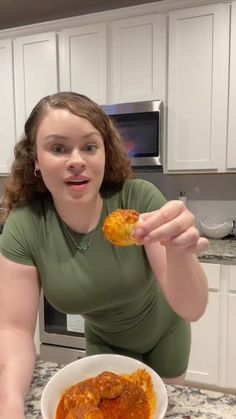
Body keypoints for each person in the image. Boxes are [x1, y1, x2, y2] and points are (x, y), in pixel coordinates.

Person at [0, 91, 209, 418]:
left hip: (166, 335)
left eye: (89, 146)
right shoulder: (25, 225)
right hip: (103, 341)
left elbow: (192, 308)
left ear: (104, 155)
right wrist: (9, 402)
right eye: (58, 148)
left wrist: (181, 251)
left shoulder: (136, 200)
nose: (76, 160)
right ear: (35, 161)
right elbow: (13, 330)